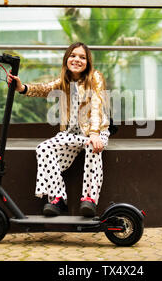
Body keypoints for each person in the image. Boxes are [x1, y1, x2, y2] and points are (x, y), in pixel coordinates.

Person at [7, 42, 110, 217]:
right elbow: (44, 89)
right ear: (67, 59)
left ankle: (89, 200)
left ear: (88, 62)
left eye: (82, 57)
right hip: (71, 134)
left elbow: (97, 104)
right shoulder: (65, 80)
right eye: (73, 55)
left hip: (95, 132)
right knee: (44, 149)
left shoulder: (95, 77)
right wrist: (22, 88)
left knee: (93, 148)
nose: (77, 59)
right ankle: (57, 198)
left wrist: (94, 133)